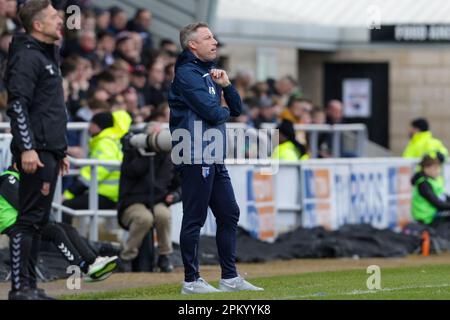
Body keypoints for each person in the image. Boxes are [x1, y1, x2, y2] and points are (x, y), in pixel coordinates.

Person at [168, 22, 263, 294]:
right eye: (207, 38)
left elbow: (235, 108)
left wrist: (227, 85)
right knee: (194, 218)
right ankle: (191, 280)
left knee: (229, 212)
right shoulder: (186, 74)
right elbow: (214, 113)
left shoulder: (210, 73)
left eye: (213, 37)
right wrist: (223, 111)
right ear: (192, 45)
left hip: (212, 153)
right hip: (194, 152)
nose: (214, 42)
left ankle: (229, 277)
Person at [5, 0, 70, 300]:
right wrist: (28, 148)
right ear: (38, 25)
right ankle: (20, 289)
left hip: (48, 149)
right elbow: (17, 104)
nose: (62, 21)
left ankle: (30, 286)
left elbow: (50, 109)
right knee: (28, 221)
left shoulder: (47, 56)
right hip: (37, 150)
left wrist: (61, 150)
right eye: (55, 17)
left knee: (37, 220)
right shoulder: (28, 57)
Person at [0, 166, 118, 282]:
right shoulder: (8, 178)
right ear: (17, 165)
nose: (33, 169)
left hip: (26, 220)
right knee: (55, 231)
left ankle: (93, 261)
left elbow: (36, 205)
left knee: (68, 228)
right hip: (13, 223)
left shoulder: (24, 180)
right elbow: (24, 206)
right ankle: (83, 266)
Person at [118, 123, 181, 272]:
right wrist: (147, 153)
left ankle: (164, 256)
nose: (159, 140)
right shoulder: (133, 154)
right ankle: (126, 257)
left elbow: (180, 183)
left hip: (157, 200)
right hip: (132, 202)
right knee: (144, 218)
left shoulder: (169, 157)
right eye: (155, 136)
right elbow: (133, 171)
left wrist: (176, 195)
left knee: (163, 215)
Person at [63, 110, 131, 219]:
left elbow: (94, 174)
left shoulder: (104, 143)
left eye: (91, 124)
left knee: (66, 206)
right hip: (107, 193)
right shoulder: (108, 141)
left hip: (107, 195)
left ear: (97, 126)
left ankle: (67, 236)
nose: (89, 127)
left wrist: (68, 194)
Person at [411, 153, 450, 225]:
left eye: (438, 168)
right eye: (435, 168)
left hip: (434, 215)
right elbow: (438, 204)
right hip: (426, 219)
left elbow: (445, 197)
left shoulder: (432, 181)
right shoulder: (423, 184)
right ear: (426, 168)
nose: (438, 171)